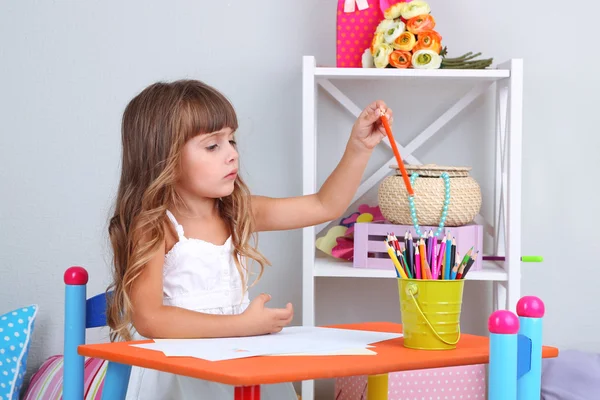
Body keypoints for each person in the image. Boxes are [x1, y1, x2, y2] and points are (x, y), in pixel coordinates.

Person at [105, 79, 393, 400]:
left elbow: (324, 205)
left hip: (238, 358)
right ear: (164, 157)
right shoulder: (154, 226)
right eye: (213, 146)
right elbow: (150, 319)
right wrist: (242, 325)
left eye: (232, 140)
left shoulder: (238, 211)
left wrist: (360, 147)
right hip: (179, 374)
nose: (231, 154)